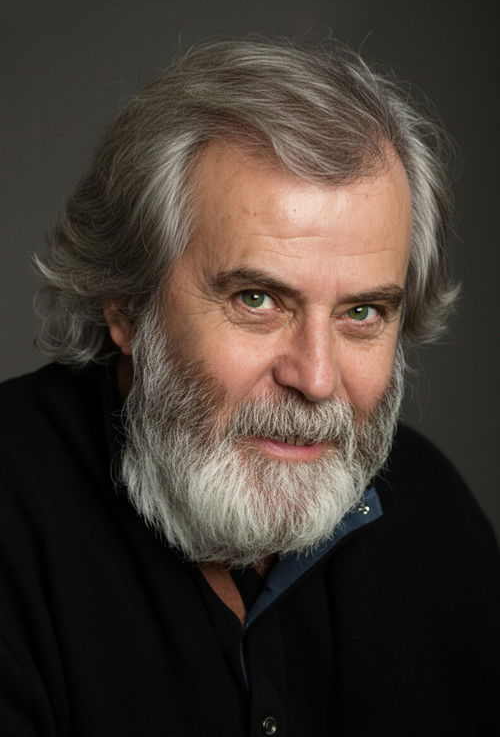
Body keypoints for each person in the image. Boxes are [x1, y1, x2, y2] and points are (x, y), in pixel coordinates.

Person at [0, 37, 498, 737]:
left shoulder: (434, 515)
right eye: (257, 300)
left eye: (361, 313)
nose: (316, 379)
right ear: (127, 305)